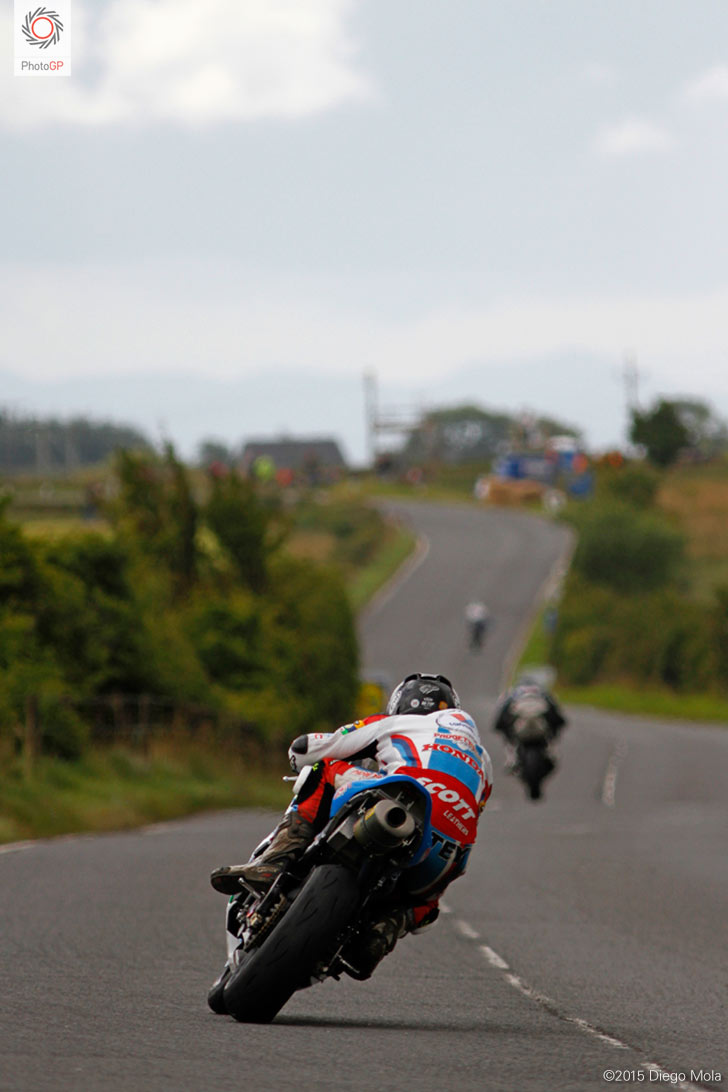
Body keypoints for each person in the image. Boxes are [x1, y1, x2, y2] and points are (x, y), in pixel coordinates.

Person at [210, 672, 493, 982]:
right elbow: (477, 807)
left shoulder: (392, 723)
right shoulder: (483, 758)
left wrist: (297, 758)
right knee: (423, 904)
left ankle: (277, 858)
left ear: (399, 705)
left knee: (324, 766)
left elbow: (311, 747)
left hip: (398, 797)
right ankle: (387, 929)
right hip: (448, 850)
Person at [492, 680, 566, 769]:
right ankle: (551, 750)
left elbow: (501, 716)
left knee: (505, 731)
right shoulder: (543, 693)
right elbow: (557, 717)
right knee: (555, 726)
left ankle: (511, 757)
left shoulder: (512, 693)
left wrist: (500, 726)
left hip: (523, 732)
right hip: (538, 731)